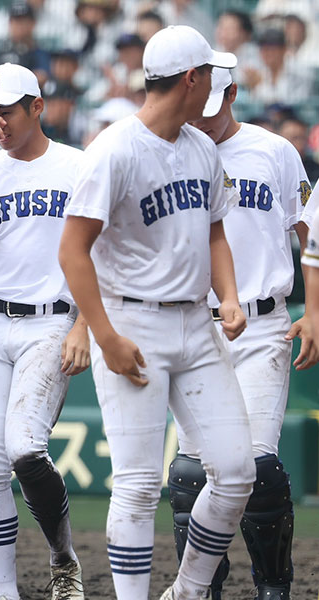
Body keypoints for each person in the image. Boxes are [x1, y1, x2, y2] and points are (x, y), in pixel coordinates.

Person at [57, 26, 256, 600]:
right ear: (192, 79)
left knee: (236, 473)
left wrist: (229, 295)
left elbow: (215, 233)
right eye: (210, 73)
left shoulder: (201, 148)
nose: (215, 82)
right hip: (131, 321)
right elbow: (72, 251)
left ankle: (187, 591)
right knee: (139, 485)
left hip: (196, 322)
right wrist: (104, 336)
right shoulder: (114, 149)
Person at [169, 67, 318, 600]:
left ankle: (272, 587)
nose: (201, 119)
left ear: (231, 94)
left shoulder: (274, 151)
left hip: (261, 323)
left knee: (256, 465)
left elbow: (310, 232)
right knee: (191, 475)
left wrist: (314, 311)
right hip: (192, 324)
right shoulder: (170, 151)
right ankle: (202, 586)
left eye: (212, 108)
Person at [0, 63, 87, 600]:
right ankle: (5, 592)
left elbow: (102, 254)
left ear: (37, 107)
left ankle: (62, 557)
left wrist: (83, 325)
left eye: (6, 110)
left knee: (24, 449)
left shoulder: (78, 166)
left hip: (50, 320)